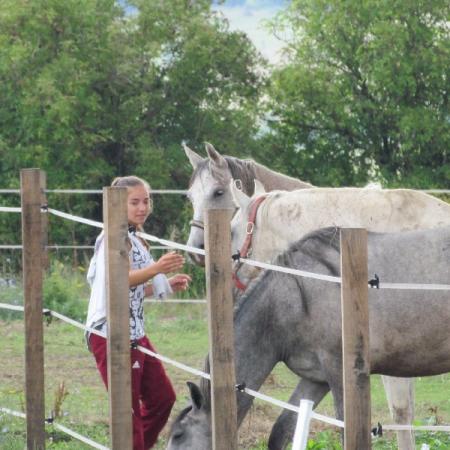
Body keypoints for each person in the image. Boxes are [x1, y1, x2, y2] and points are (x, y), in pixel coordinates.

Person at [85, 175, 191, 450]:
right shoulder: (111, 238)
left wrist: (162, 285)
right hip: (109, 333)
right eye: (134, 202)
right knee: (127, 411)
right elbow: (116, 281)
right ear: (119, 205)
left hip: (134, 333)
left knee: (163, 398)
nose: (142, 207)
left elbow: (129, 289)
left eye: (146, 201)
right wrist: (157, 270)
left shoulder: (135, 237)